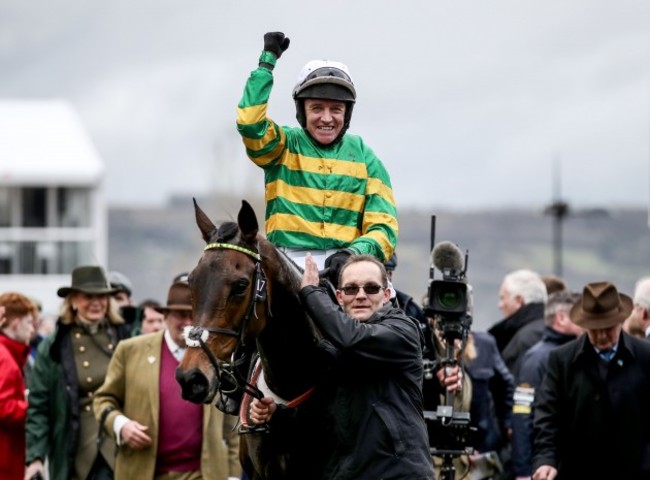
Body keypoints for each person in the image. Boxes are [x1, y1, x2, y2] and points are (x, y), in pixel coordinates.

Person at [249, 253, 435, 479]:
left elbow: (351, 336)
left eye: (371, 288)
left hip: (398, 474)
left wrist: (310, 292)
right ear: (339, 297)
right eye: (351, 289)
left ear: (386, 295)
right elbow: (319, 419)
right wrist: (275, 414)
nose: (361, 296)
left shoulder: (403, 331)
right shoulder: (331, 352)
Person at [236, 31, 398, 285]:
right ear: (302, 111)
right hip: (287, 267)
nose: (326, 118)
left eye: (336, 109)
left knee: (398, 318)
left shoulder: (366, 158)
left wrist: (353, 253)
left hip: (349, 268)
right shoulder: (283, 146)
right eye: (316, 108)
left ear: (347, 113)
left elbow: (384, 228)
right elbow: (250, 124)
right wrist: (266, 65)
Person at [93, 278, 241, 480]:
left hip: (203, 474)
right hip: (145, 472)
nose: (188, 323)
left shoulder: (216, 356)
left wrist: (233, 476)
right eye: (181, 315)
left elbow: (231, 423)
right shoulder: (129, 351)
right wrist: (121, 425)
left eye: (193, 315)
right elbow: (102, 400)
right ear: (165, 316)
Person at [532, 281, 650, 479]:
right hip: (579, 469)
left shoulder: (645, 357)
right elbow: (547, 417)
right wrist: (546, 460)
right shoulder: (562, 361)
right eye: (595, 330)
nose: (602, 336)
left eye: (608, 328)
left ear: (620, 321)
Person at [25, 265, 131, 480]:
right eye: (87, 296)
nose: (96, 303)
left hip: (121, 445)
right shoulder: (55, 345)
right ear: (72, 301)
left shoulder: (124, 336)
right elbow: (39, 404)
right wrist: (35, 458)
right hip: (75, 448)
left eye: (101, 296)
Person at [510, 290, 582, 480]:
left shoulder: (578, 354)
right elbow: (522, 414)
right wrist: (523, 470)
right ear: (561, 318)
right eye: (579, 316)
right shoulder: (538, 359)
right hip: (542, 466)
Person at [0, 293, 38, 480]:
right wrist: (33, 407)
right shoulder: (5, 357)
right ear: (15, 322)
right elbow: (3, 406)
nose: (32, 329)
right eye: (29, 322)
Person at [488, 269, 548, 374]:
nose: (500, 305)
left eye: (503, 298)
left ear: (518, 301)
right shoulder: (549, 329)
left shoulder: (525, 339)